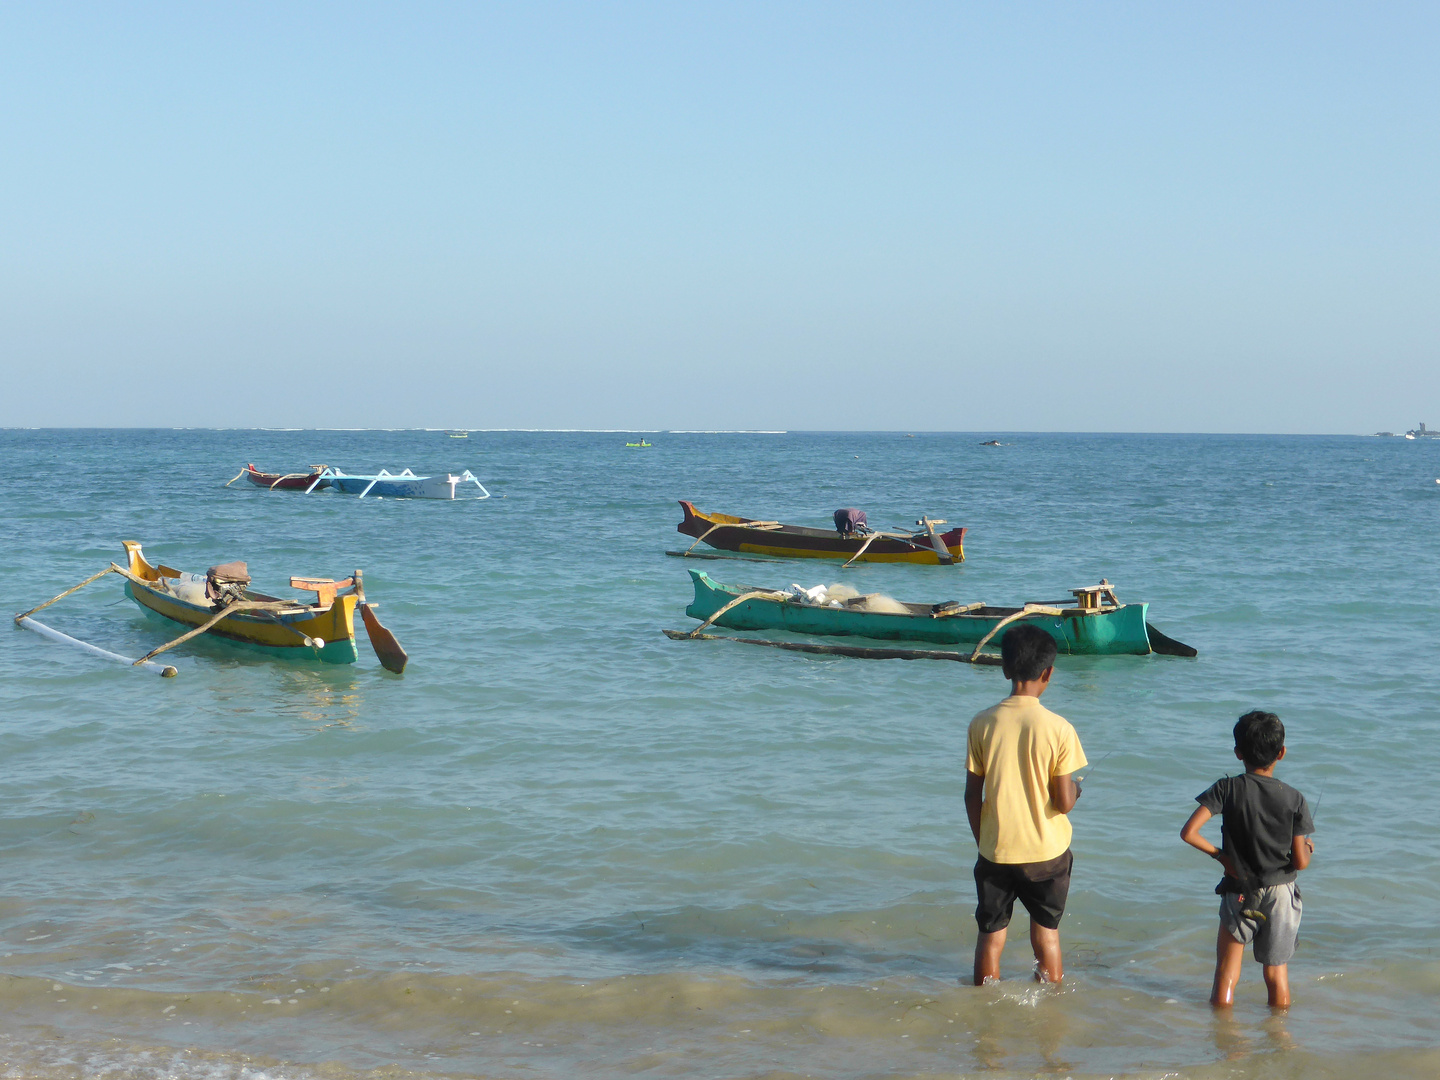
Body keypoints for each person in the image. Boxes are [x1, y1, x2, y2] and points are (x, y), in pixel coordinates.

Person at [965, 624, 1087, 985]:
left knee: (991, 935)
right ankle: (1049, 1016)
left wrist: (983, 841)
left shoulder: (981, 723)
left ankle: (986, 1012)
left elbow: (973, 794)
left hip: (996, 849)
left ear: (1004, 669)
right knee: (1046, 933)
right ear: (1048, 672)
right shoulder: (1059, 728)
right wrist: (1076, 791)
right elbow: (1063, 803)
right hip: (1046, 854)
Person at [1180, 711, 1315, 1008]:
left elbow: (1189, 833)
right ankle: (1278, 1039)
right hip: (1281, 893)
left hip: (1239, 888)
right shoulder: (1294, 798)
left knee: (1226, 974)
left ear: (1238, 752)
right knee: (1277, 974)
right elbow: (1300, 862)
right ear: (1281, 752)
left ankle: (1225, 1041)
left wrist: (1221, 857)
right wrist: (1306, 847)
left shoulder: (1226, 789)